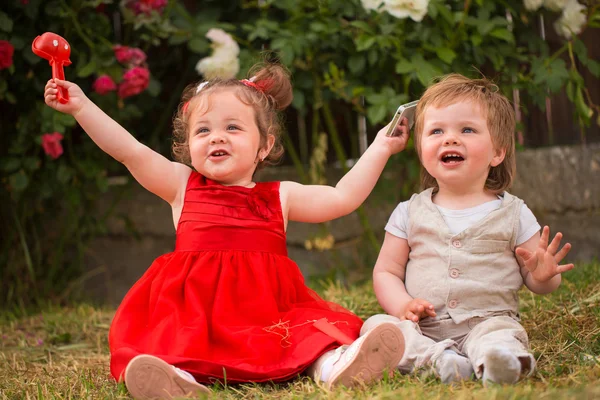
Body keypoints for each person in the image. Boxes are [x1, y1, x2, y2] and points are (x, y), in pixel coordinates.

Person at [43, 63, 409, 399]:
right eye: (203, 130)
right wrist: (81, 107)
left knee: (306, 340)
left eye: (232, 127)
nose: (217, 137)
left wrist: (380, 147)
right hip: (195, 319)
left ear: (264, 145)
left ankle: (335, 367)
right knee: (174, 346)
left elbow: (341, 197)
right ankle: (177, 381)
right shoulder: (180, 185)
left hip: (266, 317)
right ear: (188, 147)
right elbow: (129, 151)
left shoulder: (280, 197)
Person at [363, 74, 574, 385]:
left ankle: (497, 360)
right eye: (436, 131)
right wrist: (402, 305)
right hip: (425, 328)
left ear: (497, 152)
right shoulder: (408, 212)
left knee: (499, 335)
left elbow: (537, 281)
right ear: (422, 150)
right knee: (377, 325)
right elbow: (386, 272)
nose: (450, 139)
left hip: (488, 321)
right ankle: (439, 360)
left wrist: (544, 275)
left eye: (467, 130)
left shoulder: (514, 213)